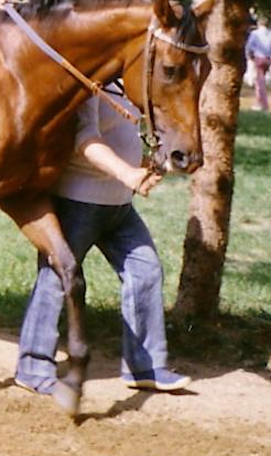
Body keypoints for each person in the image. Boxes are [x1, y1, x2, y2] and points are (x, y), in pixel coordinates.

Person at [15, 90, 191, 395]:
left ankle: (144, 367)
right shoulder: (90, 84)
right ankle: (32, 368)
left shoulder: (125, 84)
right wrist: (127, 173)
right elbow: (85, 139)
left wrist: (149, 164)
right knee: (55, 279)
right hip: (78, 201)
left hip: (119, 205)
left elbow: (124, 137)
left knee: (146, 271)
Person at [245, 16, 271, 112]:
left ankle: (262, 104)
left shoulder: (255, 34)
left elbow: (249, 46)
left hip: (258, 58)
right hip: (268, 59)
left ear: (259, 24)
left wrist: (248, 55)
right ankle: (260, 102)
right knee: (261, 79)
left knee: (260, 82)